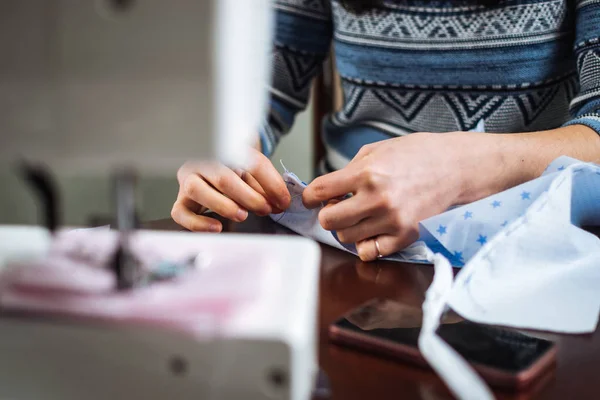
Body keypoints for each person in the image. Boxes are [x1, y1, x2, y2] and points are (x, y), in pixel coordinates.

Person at [172, 0, 600, 261]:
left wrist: (462, 170)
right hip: (346, 250)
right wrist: (222, 145)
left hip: (522, 251)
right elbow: (264, 88)